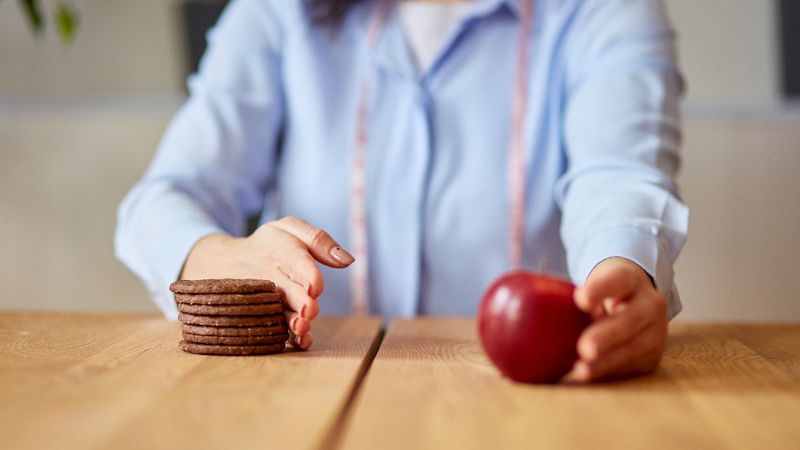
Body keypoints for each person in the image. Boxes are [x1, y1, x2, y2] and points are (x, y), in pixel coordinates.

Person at [115, 0, 689, 382]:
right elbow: (165, 198)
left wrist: (623, 270)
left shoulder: (604, 11)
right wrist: (220, 256)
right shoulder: (275, 12)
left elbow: (616, 173)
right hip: (299, 406)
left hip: (523, 413)